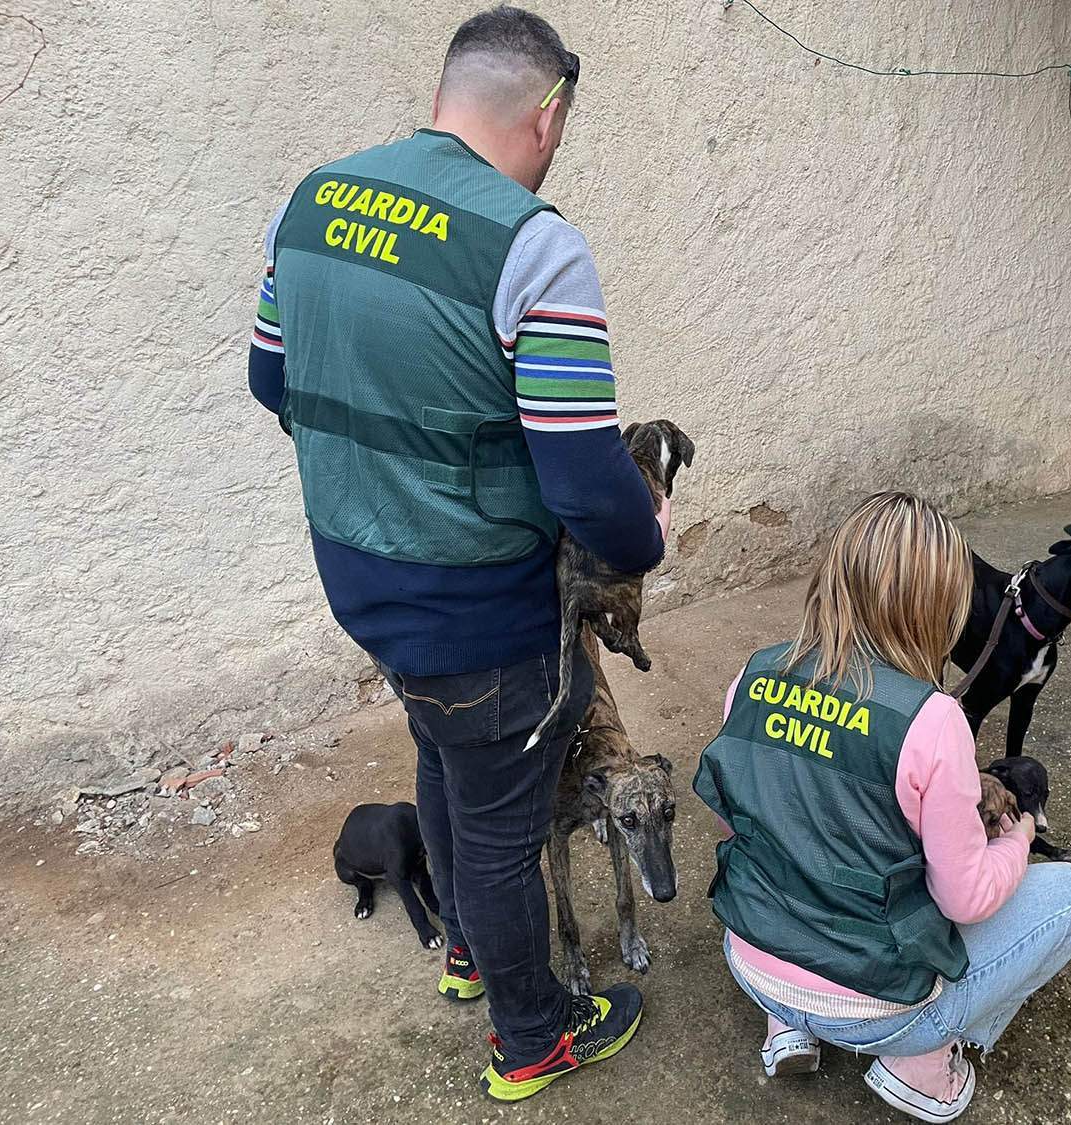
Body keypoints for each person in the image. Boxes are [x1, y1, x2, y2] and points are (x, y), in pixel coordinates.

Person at [247, 7, 666, 1103]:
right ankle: (532, 1037)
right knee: (499, 821)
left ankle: (472, 954)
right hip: (480, 603)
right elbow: (586, 484)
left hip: (361, 578)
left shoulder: (314, 200)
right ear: (549, 110)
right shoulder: (532, 244)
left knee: (445, 751)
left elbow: (270, 381)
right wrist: (646, 538)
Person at [693, 492, 1071, 1122]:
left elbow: (735, 823)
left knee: (790, 841)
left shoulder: (750, 677)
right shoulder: (933, 720)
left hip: (752, 959)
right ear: (939, 604)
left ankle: (785, 1026)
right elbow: (966, 898)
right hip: (872, 1008)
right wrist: (1015, 834)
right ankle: (920, 1064)